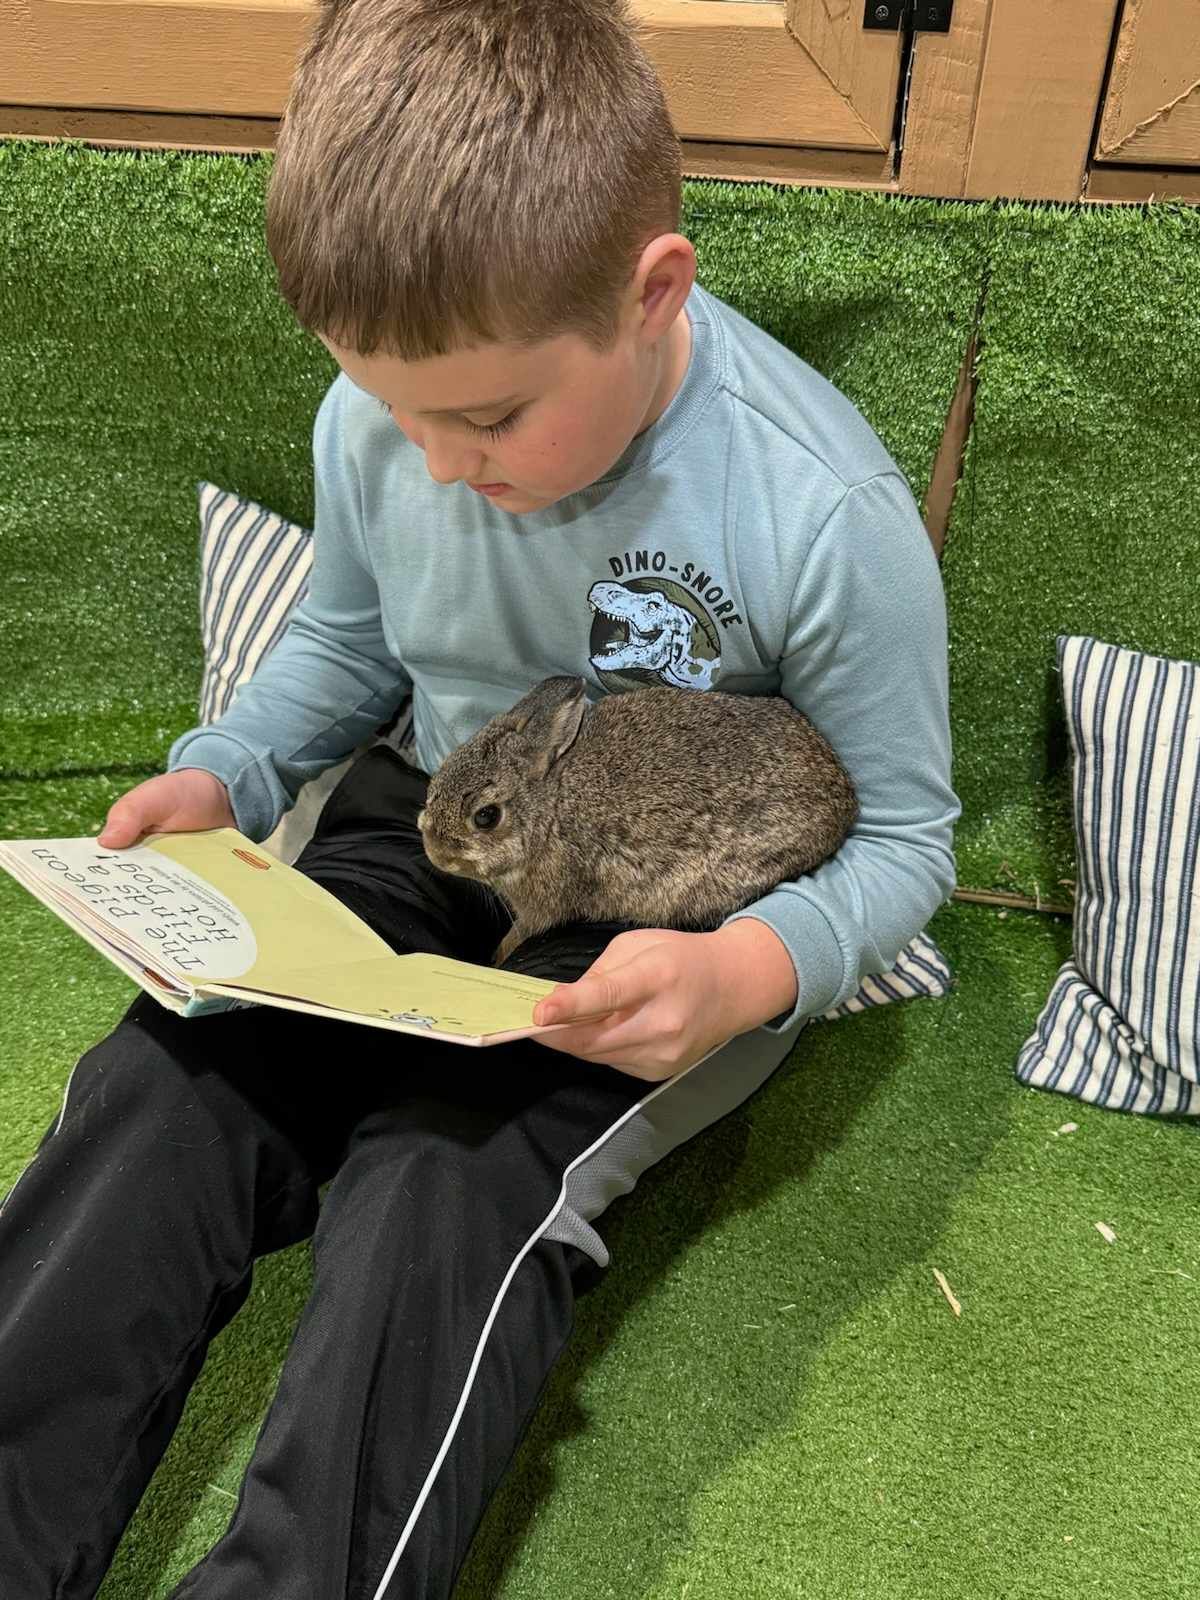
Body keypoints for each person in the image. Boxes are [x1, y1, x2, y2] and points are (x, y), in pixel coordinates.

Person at [0, 0, 960, 1593]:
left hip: (663, 933)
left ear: (654, 294)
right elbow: (346, 639)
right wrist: (224, 769)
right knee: (169, 1086)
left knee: (440, 1186)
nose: (437, 465)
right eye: (397, 412)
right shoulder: (382, 423)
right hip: (424, 824)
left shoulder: (823, 508)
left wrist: (742, 973)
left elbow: (912, 837)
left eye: (492, 418)